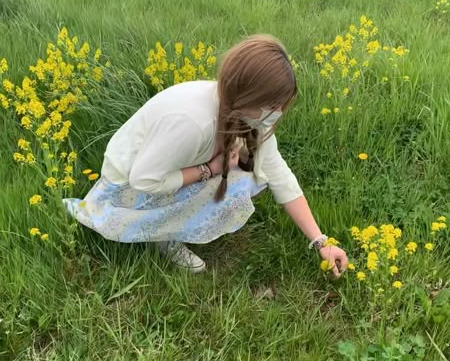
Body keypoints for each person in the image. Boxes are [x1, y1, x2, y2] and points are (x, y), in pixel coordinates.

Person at [65, 34, 348, 275]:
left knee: (254, 178)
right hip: (128, 183)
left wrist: (321, 242)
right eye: (272, 104)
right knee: (234, 181)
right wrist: (210, 171)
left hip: (164, 168)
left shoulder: (242, 113)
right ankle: (160, 233)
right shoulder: (193, 122)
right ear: (249, 95)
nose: (277, 113)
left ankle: (169, 224)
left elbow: (278, 174)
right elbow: (144, 180)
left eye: (280, 106)